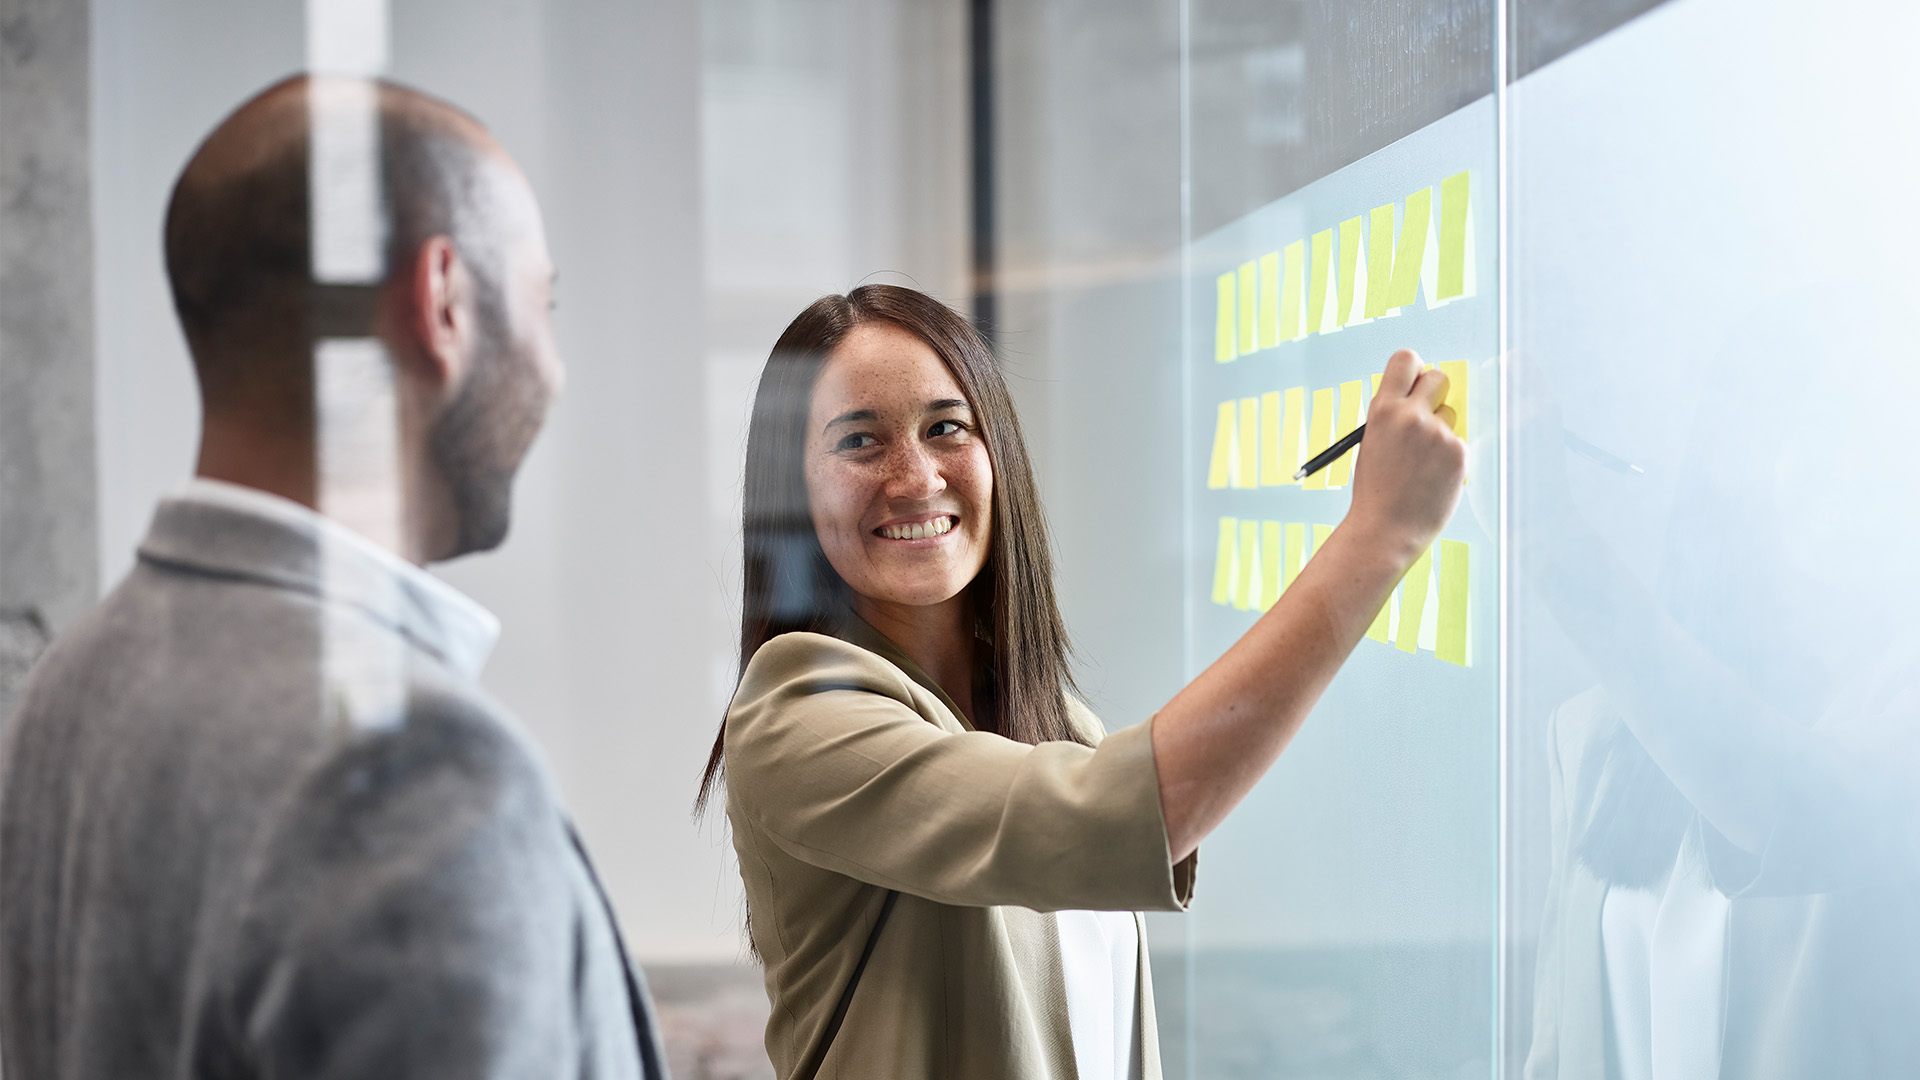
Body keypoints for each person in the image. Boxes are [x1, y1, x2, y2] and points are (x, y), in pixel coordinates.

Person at [0, 76, 666, 1078]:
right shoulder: (424, 773)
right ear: (441, 301)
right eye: (544, 302)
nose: (555, 367)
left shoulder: (70, 685)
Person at [696, 284, 1464, 1079]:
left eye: (946, 427)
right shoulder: (796, 711)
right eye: (859, 442)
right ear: (795, 491)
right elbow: (1129, 812)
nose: (916, 476)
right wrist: (1379, 536)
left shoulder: (1053, 720)